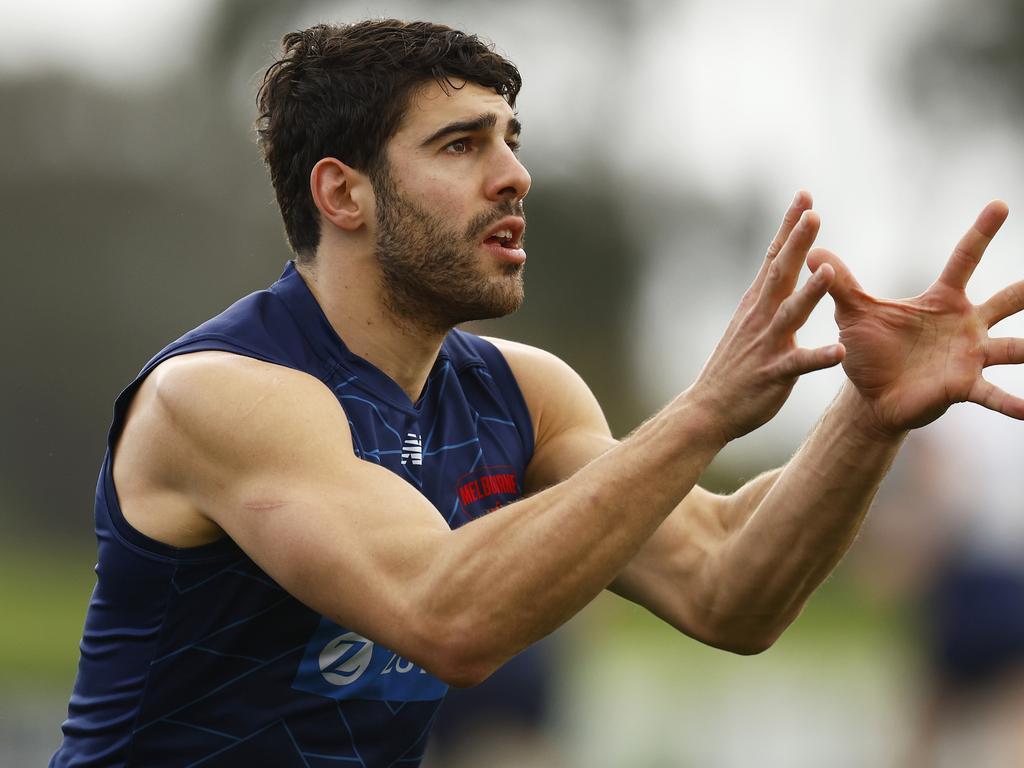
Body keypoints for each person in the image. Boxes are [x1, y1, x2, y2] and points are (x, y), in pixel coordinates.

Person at [51, 18, 1024, 768]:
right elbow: (447, 620)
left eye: (511, 140)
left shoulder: (523, 395)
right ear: (342, 194)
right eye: (459, 146)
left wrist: (868, 411)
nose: (515, 176)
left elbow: (728, 588)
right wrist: (704, 410)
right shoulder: (221, 395)